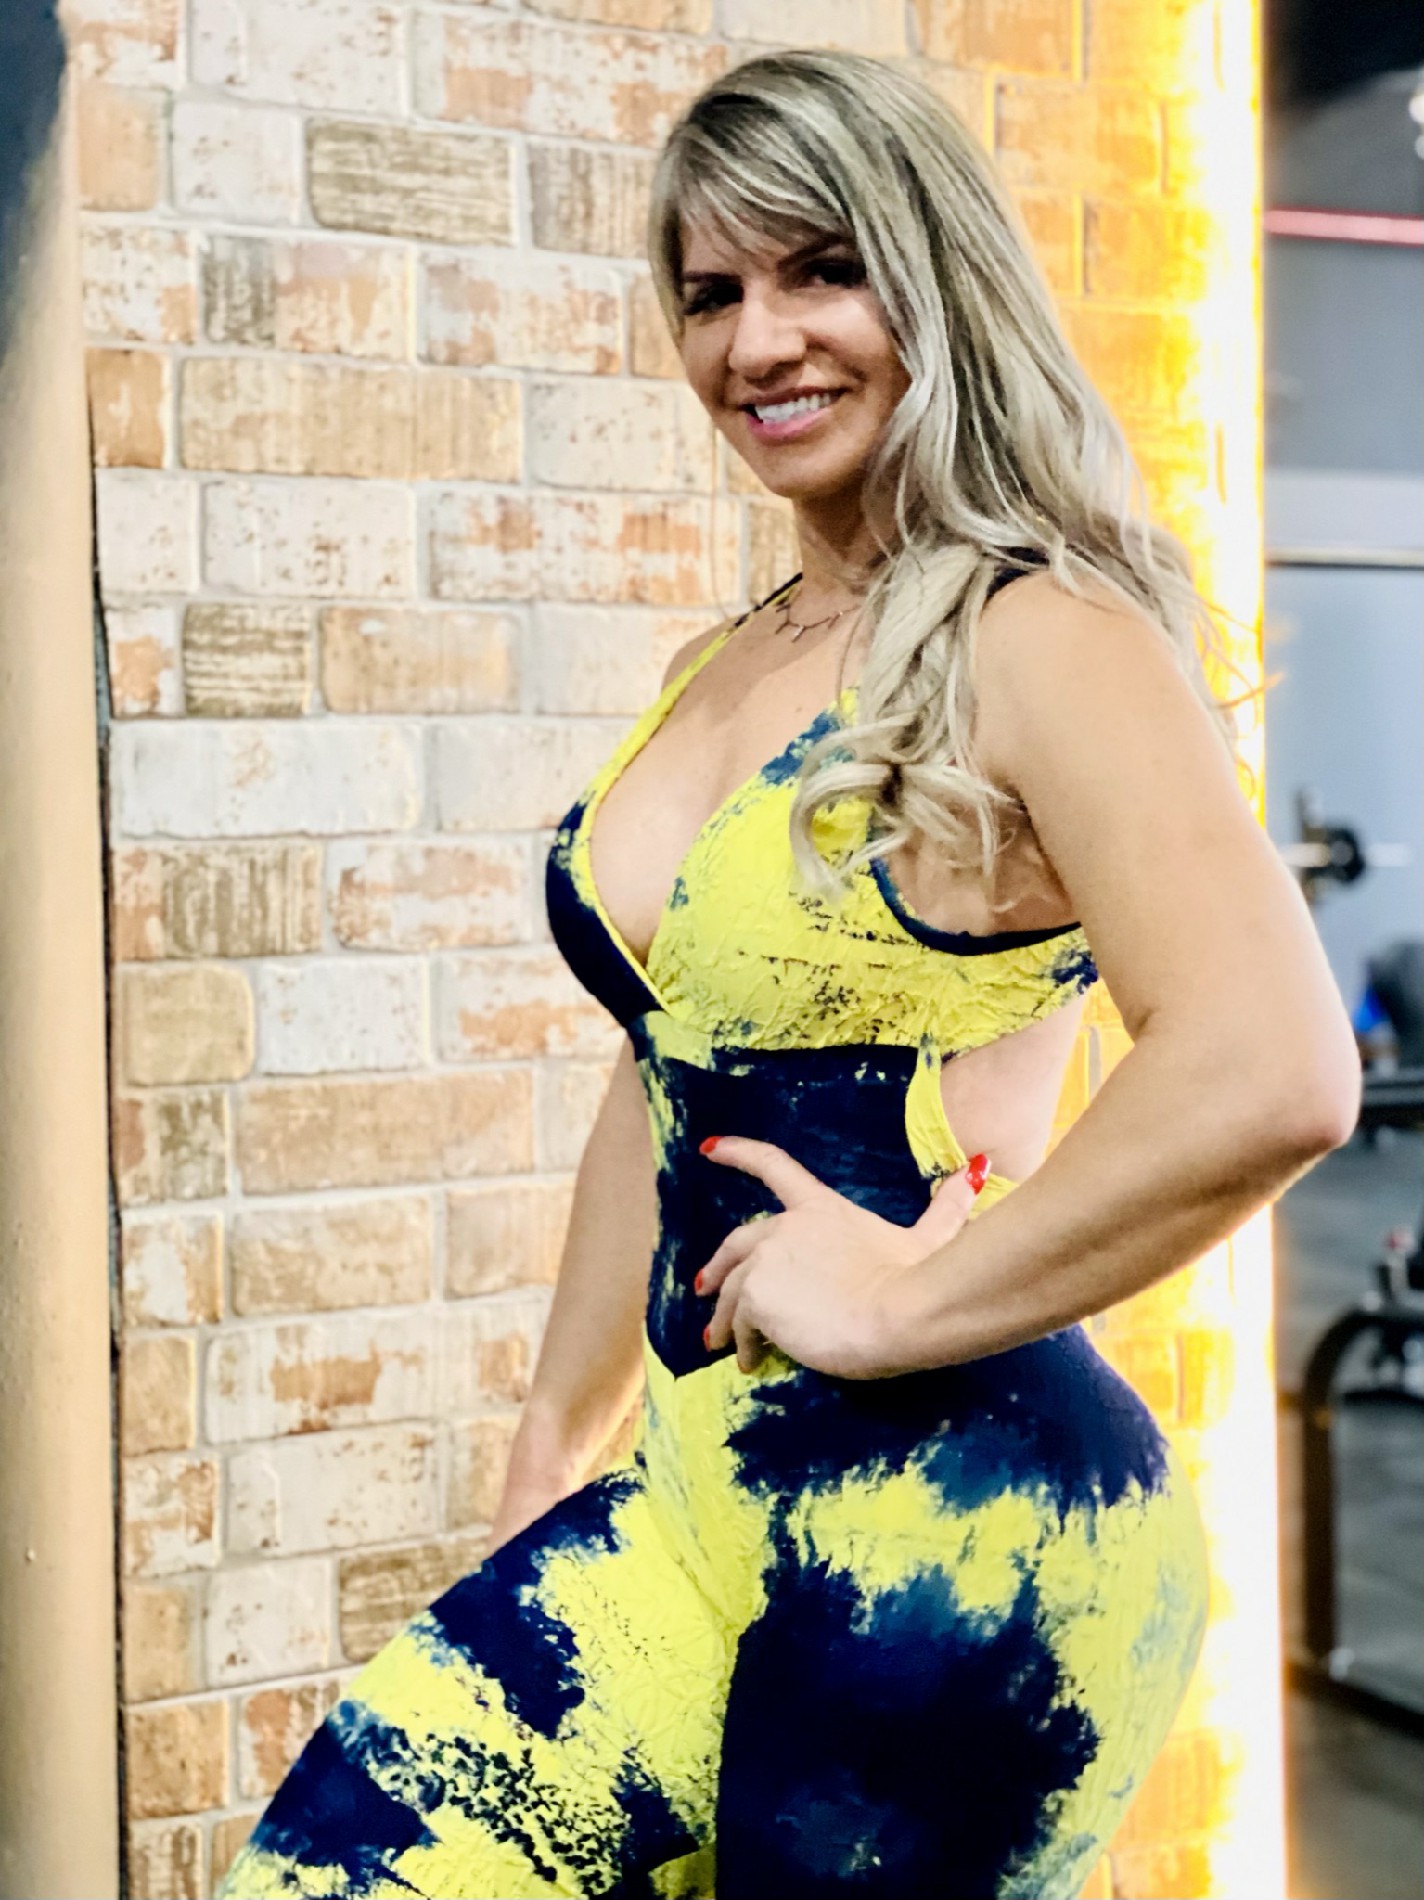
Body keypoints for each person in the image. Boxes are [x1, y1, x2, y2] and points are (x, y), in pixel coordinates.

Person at [220, 49, 1359, 1900]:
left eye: (822, 270)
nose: (760, 342)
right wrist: (549, 1446)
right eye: (712, 292)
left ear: (934, 276)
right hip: (691, 1505)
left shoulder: (1037, 634)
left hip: (959, 1535)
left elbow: (1271, 1066)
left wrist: (910, 1306)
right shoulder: (732, 659)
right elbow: (664, 1060)